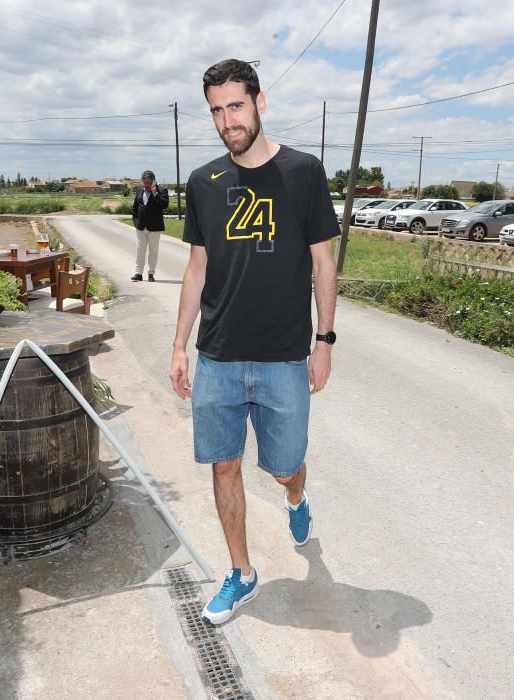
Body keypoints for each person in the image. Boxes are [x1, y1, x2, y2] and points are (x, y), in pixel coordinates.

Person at [169, 59, 339, 625]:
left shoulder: (303, 172)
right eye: (217, 110)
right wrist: (178, 347)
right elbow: (196, 269)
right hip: (218, 356)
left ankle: (296, 497)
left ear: (259, 103)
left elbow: (323, 262)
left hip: (283, 357)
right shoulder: (203, 182)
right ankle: (241, 573)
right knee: (224, 467)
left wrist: (324, 341)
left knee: (285, 465)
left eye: (235, 106)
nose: (227, 120)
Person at [130, 170, 169, 281]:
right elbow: (134, 208)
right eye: (144, 182)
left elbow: (164, 204)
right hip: (141, 227)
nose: (146, 185)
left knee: (153, 251)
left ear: (153, 181)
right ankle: (138, 273)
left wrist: (155, 193)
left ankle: (151, 273)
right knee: (140, 250)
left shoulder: (162, 190)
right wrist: (136, 222)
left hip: (155, 227)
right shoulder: (139, 191)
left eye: (148, 182)